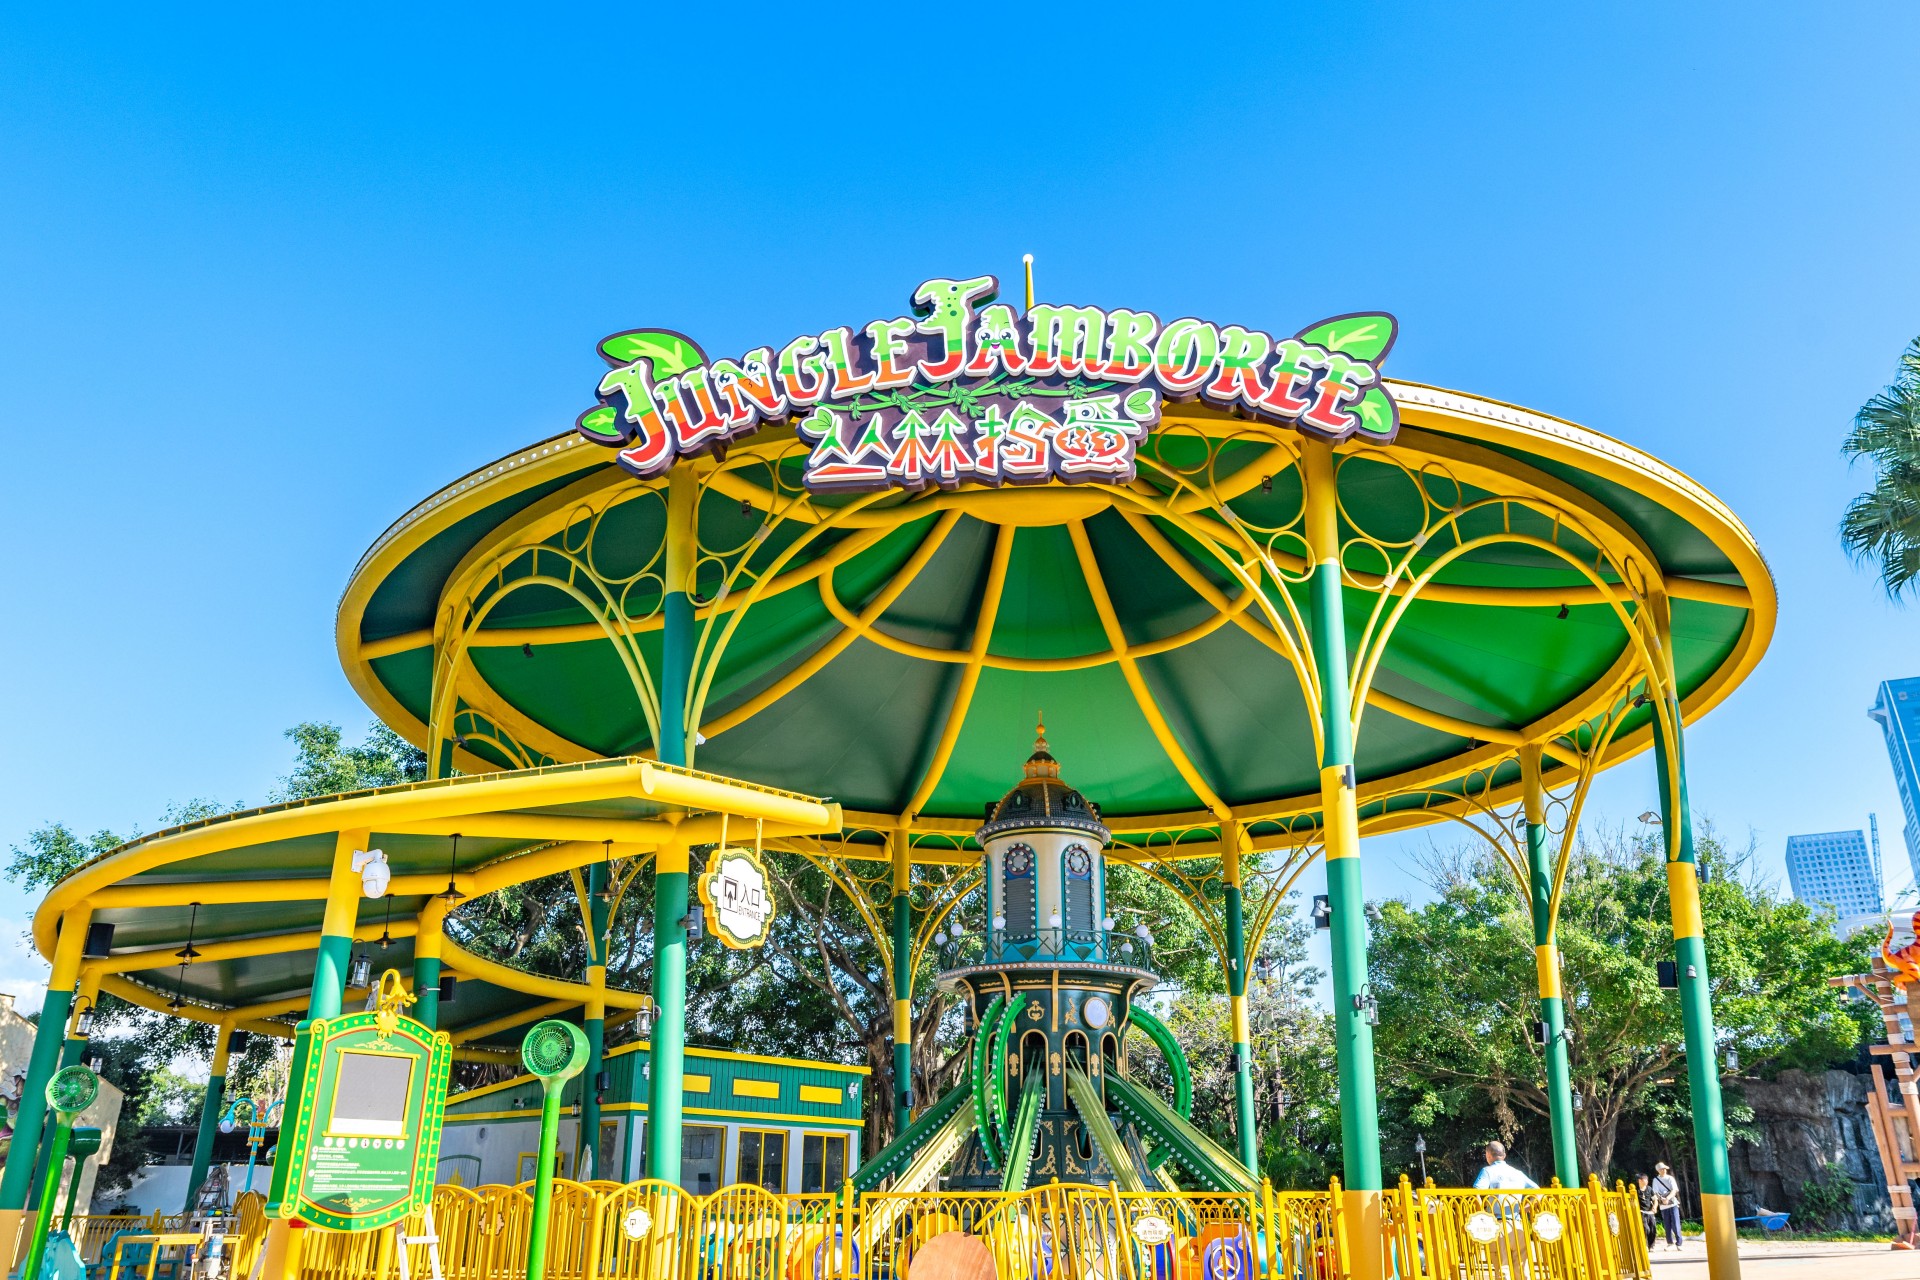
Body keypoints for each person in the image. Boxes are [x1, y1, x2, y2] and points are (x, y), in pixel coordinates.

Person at [1471, 1141, 1539, 1190]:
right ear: (1504, 1155)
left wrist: (1481, 1207)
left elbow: (1476, 1193)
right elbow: (1538, 1192)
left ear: (1488, 1155)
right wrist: (1525, 1207)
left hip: (1494, 1207)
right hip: (1516, 1207)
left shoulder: (1487, 1171)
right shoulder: (1518, 1173)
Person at [1650, 1161, 1683, 1250]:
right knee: (1667, 1225)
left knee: (1676, 1224)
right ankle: (1670, 1243)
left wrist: (1667, 1198)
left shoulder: (1670, 1178)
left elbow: (1674, 1190)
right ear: (1658, 1170)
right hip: (1663, 1206)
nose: (1664, 1170)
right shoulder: (1655, 1180)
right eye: (1662, 1169)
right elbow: (1655, 1192)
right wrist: (1662, 1199)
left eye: (1664, 1168)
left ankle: (1679, 1243)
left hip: (1673, 1204)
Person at [1636, 1173, 1658, 1251]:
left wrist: (1655, 1207)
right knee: (1646, 1229)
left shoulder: (1649, 1189)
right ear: (1640, 1180)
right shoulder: (1636, 1190)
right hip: (1641, 1212)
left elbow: (1655, 1200)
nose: (1646, 1181)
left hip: (1650, 1212)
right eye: (1645, 1179)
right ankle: (1645, 1244)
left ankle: (1651, 1246)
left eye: (1647, 1179)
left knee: (1653, 1229)